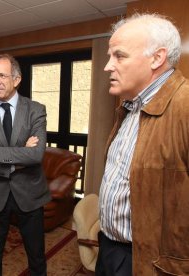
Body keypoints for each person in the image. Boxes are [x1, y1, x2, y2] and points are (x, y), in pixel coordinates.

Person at [97, 13, 189, 275]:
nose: (108, 66)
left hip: (152, 263)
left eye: (119, 55)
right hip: (110, 247)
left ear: (157, 58)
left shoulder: (185, 106)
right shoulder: (129, 108)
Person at [0, 53, 50, 276]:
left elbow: (36, 155)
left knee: (36, 256)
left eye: (2, 75)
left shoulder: (36, 109)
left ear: (16, 79)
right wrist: (18, 159)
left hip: (30, 195)